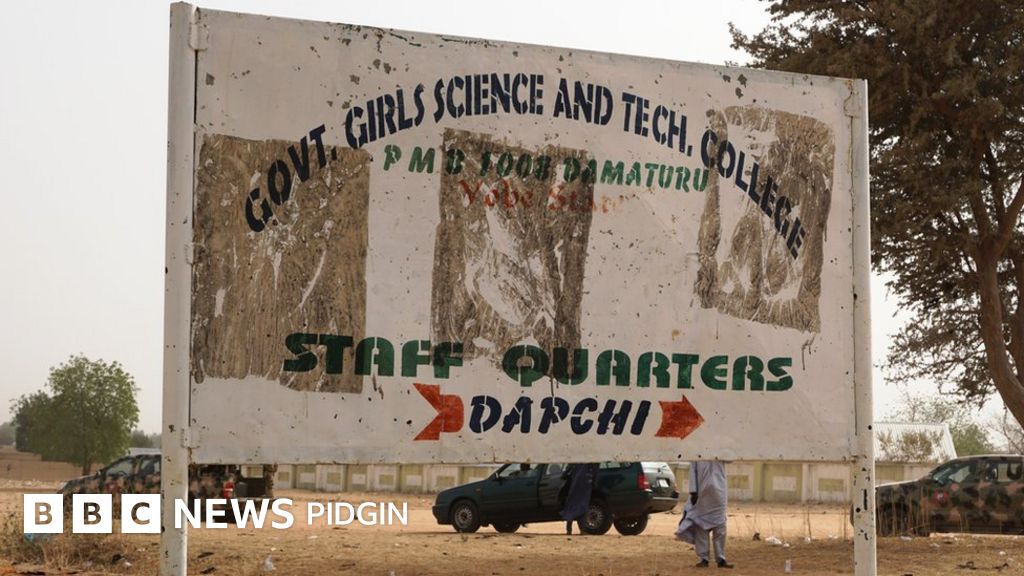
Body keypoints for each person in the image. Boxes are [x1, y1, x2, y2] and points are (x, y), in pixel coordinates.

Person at [675, 460, 732, 568]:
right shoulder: (698, 453)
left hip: (719, 493)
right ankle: (704, 559)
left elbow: (730, 459)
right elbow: (693, 471)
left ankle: (721, 559)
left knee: (720, 527)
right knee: (701, 526)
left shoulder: (720, 452)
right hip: (702, 494)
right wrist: (693, 492)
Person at [559, 463, 599, 534]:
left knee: (572, 505)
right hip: (586, 483)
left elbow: (570, 466)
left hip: (576, 483)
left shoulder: (577, 460)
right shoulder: (591, 461)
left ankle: (570, 529)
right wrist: (594, 482)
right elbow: (595, 470)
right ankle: (582, 530)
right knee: (582, 505)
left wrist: (564, 475)